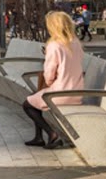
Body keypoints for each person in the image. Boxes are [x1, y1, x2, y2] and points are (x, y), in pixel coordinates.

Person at [24, 10, 85, 150]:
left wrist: (50, 83)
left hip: (60, 93)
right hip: (77, 91)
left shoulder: (54, 45)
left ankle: (52, 134)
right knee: (36, 99)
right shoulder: (75, 42)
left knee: (27, 104)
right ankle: (39, 138)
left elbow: (49, 75)